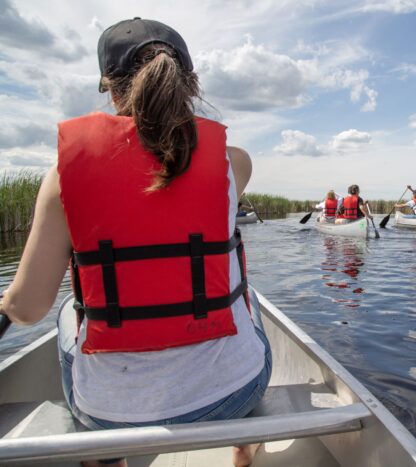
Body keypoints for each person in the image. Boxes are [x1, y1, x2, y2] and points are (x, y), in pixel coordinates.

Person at [0, 18, 271, 467]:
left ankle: (106, 457)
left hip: (111, 415)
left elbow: (27, 309)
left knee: (71, 309)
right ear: (190, 81)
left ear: (109, 87)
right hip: (233, 397)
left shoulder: (62, 179)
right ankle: (244, 445)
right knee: (246, 296)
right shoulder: (233, 163)